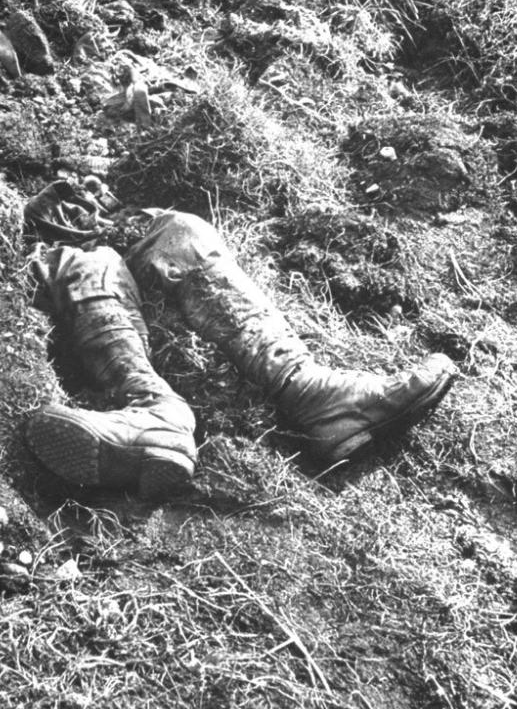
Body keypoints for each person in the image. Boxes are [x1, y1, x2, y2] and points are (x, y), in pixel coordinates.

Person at [23, 182, 456, 499]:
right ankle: (154, 411)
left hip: (124, 257)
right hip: (51, 276)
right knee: (84, 263)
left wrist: (107, 213)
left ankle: (310, 389)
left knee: (180, 233)